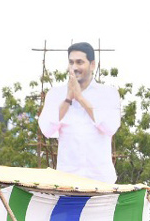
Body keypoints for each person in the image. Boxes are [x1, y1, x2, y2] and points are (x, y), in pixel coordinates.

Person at [37, 42, 122, 183]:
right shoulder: (56, 94)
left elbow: (110, 127)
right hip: (67, 180)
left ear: (92, 65)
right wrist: (68, 99)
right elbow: (47, 130)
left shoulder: (109, 93)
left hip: (100, 180)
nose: (74, 67)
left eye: (79, 62)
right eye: (71, 62)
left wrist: (81, 99)